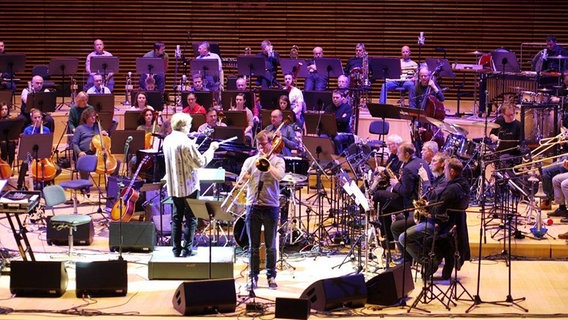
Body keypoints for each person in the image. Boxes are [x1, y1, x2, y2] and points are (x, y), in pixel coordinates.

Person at [398, 157, 469, 277]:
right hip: (446, 222)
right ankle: (426, 258)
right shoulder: (462, 184)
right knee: (401, 226)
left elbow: (438, 209)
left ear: (451, 171)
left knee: (403, 238)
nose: (445, 173)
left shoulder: (451, 188)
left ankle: (429, 261)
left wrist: (427, 207)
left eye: (446, 170)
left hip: (440, 225)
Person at [162, 113, 219, 257]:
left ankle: (176, 250)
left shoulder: (167, 140)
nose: (190, 128)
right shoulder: (186, 142)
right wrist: (211, 149)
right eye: (188, 125)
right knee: (191, 218)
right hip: (189, 186)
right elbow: (200, 162)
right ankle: (187, 249)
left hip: (174, 185)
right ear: (182, 126)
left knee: (176, 218)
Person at [238, 130, 286, 289]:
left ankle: (271, 277)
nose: (261, 147)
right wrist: (245, 175)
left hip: (271, 206)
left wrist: (267, 165)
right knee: (253, 246)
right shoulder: (250, 161)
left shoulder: (278, 161)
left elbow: (279, 176)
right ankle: (253, 277)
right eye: (258, 144)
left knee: (271, 245)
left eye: (264, 144)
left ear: (271, 144)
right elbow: (240, 180)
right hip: (253, 206)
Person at [374, 142, 432, 245]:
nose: (397, 154)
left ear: (407, 154)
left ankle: (387, 239)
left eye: (400, 152)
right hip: (419, 199)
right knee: (385, 203)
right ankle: (387, 239)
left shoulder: (408, 168)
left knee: (378, 195)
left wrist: (396, 184)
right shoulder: (421, 162)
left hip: (410, 204)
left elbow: (406, 193)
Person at [325, 90, 353, 155]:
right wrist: (339, 118)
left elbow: (345, 121)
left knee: (337, 139)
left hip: (344, 133)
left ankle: (339, 158)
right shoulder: (329, 108)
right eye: (333, 97)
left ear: (342, 98)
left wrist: (333, 119)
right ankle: (327, 157)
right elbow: (325, 120)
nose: (335, 99)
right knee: (322, 136)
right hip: (331, 132)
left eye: (337, 97)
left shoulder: (347, 108)